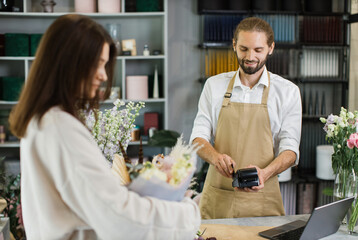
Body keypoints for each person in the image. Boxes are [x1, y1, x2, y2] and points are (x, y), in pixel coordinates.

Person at [9, 14, 200, 239]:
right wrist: (186, 213)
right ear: (69, 61)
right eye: (97, 63)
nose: (102, 75)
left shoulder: (41, 120)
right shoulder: (60, 127)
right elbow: (119, 217)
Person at [190, 17, 302, 219]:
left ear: (271, 48)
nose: (250, 56)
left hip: (263, 199)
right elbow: (198, 138)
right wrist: (216, 158)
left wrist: (265, 173)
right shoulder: (214, 86)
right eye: (244, 49)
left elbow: (291, 149)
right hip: (219, 197)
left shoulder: (288, 92)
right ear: (234, 45)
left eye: (258, 50)